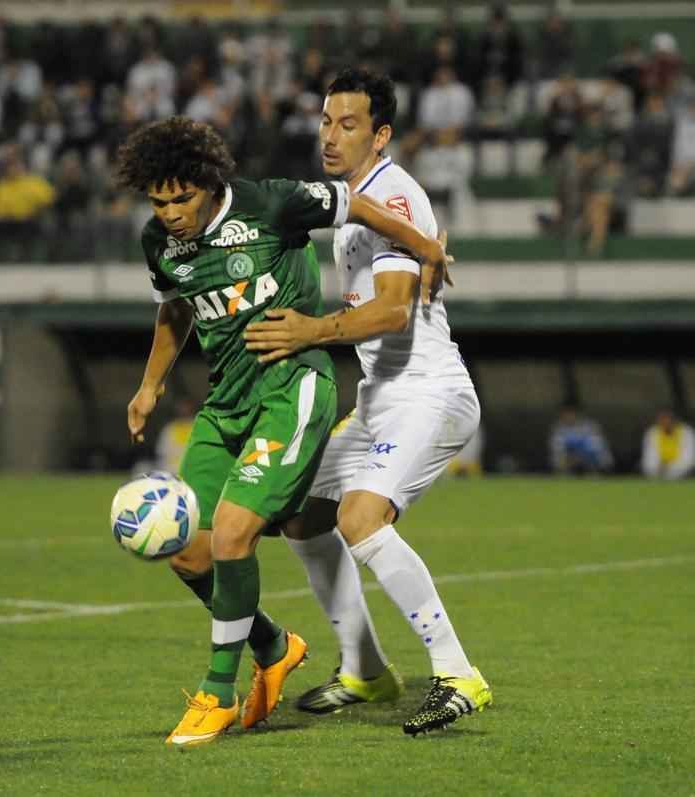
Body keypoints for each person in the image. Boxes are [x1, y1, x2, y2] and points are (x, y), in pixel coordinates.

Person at [118, 117, 450, 747]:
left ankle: (218, 693)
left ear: (210, 184)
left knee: (234, 534)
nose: (171, 215)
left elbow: (357, 203)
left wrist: (424, 246)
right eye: (159, 203)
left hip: (292, 387)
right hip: (227, 404)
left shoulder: (270, 202)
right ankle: (274, 645)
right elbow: (176, 308)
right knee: (186, 548)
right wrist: (150, 385)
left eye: (182, 199)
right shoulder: (158, 243)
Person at [242, 67, 492, 737]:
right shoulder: (352, 200)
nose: (331, 135)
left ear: (380, 134)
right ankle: (367, 667)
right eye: (326, 121)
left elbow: (388, 312)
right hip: (382, 395)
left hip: (428, 389)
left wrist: (310, 330)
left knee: (360, 516)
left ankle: (457, 671)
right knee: (302, 511)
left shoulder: (395, 192)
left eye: (348, 124)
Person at [550, 404, 613, 475]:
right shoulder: (559, 428)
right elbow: (557, 447)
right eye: (567, 414)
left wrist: (582, 456)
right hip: (569, 458)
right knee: (558, 454)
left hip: (587, 457)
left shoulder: (589, 425)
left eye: (572, 413)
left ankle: (596, 472)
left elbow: (597, 444)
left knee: (597, 448)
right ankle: (564, 473)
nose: (569, 416)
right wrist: (571, 458)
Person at [640, 408, 695, 480]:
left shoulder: (687, 433)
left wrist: (670, 467)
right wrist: (658, 467)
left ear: (674, 420)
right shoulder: (652, 433)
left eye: (667, 418)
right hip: (657, 473)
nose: (665, 422)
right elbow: (649, 459)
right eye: (661, 419)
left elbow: (688, 460)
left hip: (681, 474)